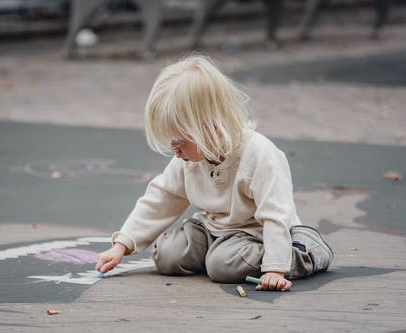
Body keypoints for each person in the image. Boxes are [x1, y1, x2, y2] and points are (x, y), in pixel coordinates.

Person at [95, 54, 333, 291]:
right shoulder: (189, 158)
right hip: (213, 229)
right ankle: (217, 256)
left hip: (255, 233)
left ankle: (304, 253)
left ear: (211, 126)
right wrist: (121, 245)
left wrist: (275, 269)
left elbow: (275, 215)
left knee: (223, 265)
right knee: (167, 254)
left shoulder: (259, 154)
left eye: (180, 142)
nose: (175, 151)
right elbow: (161, 198)